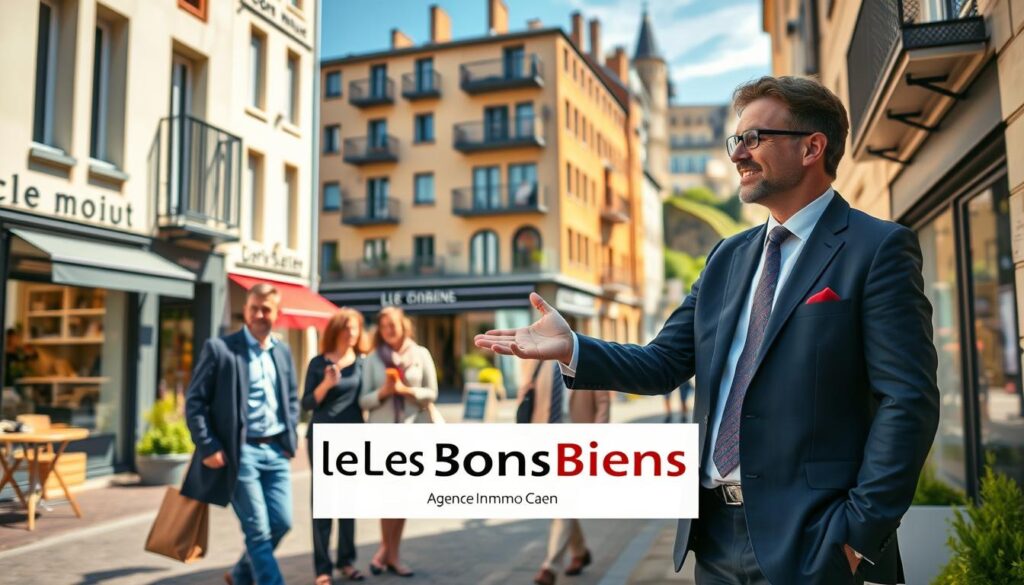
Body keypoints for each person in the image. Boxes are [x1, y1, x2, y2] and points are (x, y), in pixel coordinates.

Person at [476, 75, 940, 585]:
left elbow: (908, 400)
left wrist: (858, 534)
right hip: (714, 538)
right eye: (735, 140)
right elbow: (662, 363)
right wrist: (574, 348)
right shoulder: (727, 258)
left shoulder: (877, 249)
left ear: (812, 147)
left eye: (755, 138)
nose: (738, 154)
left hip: (816, 543)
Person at [182, 283, 299, 585]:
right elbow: (194, 401)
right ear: (245, 311)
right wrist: (208, 446)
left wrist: (290, 440)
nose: (260, 314)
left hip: (276, 451)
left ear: (277, 313)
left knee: (282, 522)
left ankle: (240, 574)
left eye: (266, 309)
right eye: (254, 308)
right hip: (240, 452)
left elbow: (291, 398)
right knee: (257, 528)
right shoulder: (220, 349)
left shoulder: (283, 351)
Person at [359, 306, 439, 578]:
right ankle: (390, 554)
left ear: (404, 325)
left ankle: (388, 553)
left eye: (393, 324)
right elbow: (363, 400)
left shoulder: (421, 354)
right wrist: (382, 392)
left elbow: (432, 393)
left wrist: (406, 391)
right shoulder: (372, 360)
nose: (389, 330)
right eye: (383, 326)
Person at [521, 359, 610, 585]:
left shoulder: (588, 360)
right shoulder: (541, 364)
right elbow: (528, 397)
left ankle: (550, 567)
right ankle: (579, 552)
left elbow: (603, 404)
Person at [302, 308, 371, 583]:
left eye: (355, 328)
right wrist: (326, 384)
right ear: (336, 330)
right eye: (347, 328)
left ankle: (346, 561)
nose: (352, 333)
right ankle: (322, 569)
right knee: (323, 504)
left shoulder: (364, 363)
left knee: (348, 503)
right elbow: (306, 403)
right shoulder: (319, 363)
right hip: (321, 435)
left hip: (353, 438)